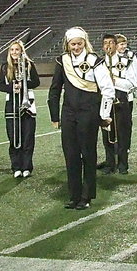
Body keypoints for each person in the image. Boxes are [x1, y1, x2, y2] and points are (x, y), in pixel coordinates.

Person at [48, 27, 115, 210]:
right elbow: (55, 89)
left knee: (88, 154)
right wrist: (54, 115)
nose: (76, 47)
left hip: (89, 113)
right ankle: (74, 195)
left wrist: (104, 115)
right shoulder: (63, 61)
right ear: (67, 44)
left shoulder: (95, 61)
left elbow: (108, 90)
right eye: (73, 44)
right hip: (68, 113)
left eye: (79, 43)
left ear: (84, 42)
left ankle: (86, 196)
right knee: (70, 155)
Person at [0, 40, 40, 178]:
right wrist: (12, 87)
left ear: (22, 51)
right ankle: (16, 167)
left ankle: (27, 167)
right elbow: (1, 86)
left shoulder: (29, 64)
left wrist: (23, 84)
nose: (14, 52)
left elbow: (36, 82)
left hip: (28, 104)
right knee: (14, 137)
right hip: (12, 104)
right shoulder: (5, 67)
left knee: (28, 137)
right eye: (12, 50)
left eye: (17, 50)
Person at [98, 33, 137, 174]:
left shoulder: (126, 61)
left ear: (116, 45)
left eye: (111, 42)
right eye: (105, 43)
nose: (108, 46)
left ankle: (123, 164)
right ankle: (110, 163)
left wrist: (115, 81)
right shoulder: (100, 64)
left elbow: (132, 83)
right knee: (107, 133)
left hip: (121, 99)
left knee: (123, 133)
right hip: (105, 101)